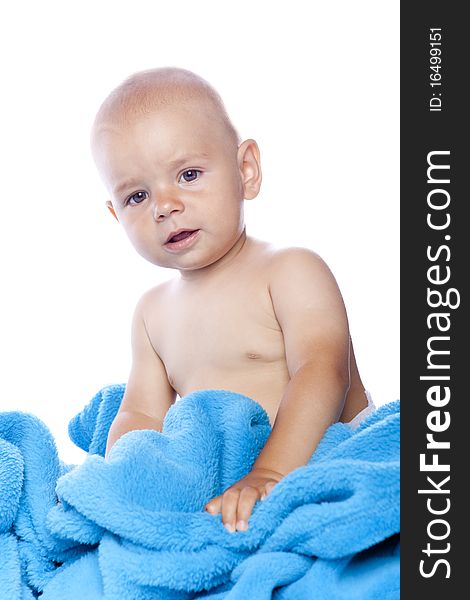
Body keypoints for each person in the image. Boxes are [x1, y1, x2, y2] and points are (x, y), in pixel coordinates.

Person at [90, 67, 374, 534]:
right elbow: (141, 414)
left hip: (310, 460)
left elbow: (324, 371)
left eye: (188, 174)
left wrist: (270, 473)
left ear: (246, 170)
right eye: (137, 196)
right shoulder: (151, 312)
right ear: (115, 214)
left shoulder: (289, 271)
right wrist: (124, 481)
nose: (164, 205)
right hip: (222, 492)